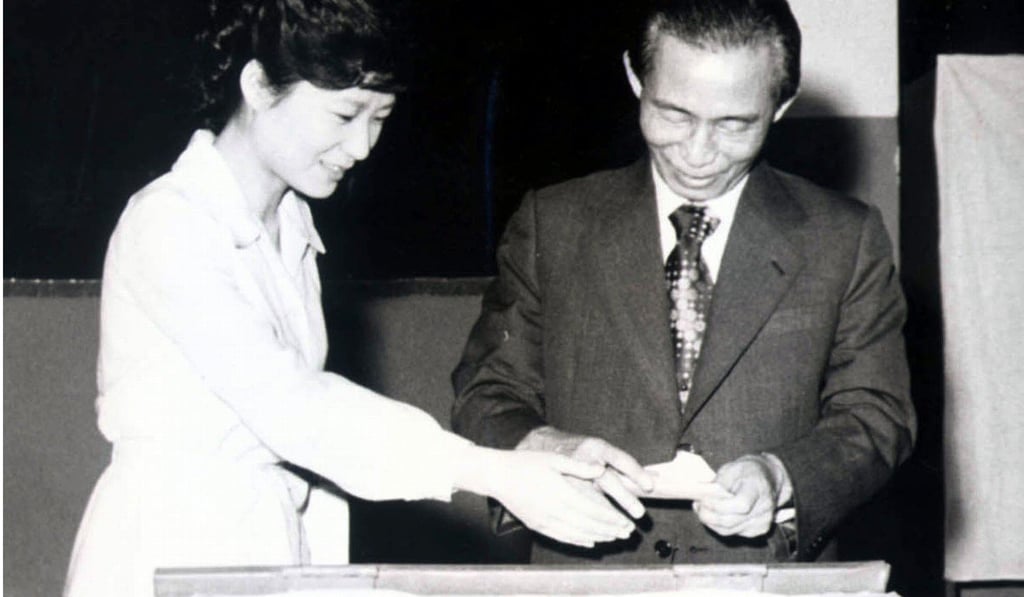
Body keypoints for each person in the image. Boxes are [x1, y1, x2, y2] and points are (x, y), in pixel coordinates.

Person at [63, 1, 648, 595]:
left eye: (380, 117)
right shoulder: (170, 223)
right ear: (259, 85)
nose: (364, 146)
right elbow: (291, 407)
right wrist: (493, 471)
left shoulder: (290, 224)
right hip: (170, 544)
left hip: (263, 543)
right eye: (345, 114)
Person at [452, 0, 916, 565]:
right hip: (588, 574)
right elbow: (487, 390)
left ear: (780, 105)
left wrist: (781, 476)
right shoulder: (554, 222)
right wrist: (536, 444)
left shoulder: (845, 237)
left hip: (767, 576)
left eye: (734, 124)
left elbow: (876, 414)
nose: (697, 154)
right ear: (634, 77)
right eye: (673, 114)